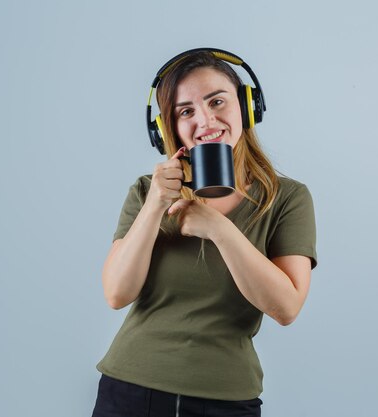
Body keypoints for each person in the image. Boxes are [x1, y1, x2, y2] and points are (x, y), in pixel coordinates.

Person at [91, 48, 317, 417]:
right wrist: (154, 205)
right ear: (168, 128)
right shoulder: (146, 191)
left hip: (226, 401)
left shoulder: (287, 198)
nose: (206, 120)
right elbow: (117, 293)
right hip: (130, 392)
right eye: (186, 111)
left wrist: (218, 229)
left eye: (217, 101)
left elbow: (286, 306)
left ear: (246, 107)